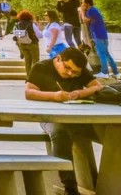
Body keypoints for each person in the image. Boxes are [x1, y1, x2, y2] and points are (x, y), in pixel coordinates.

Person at [25, 47, 105, 195]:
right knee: (60, 133)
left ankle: (116, 182)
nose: (70, 73)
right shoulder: (41, 67)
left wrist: (78, 93)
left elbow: (97, 86)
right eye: (67, 68)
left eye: (75, 72)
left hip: (79, 117)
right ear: (59, 58)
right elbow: (29, 92)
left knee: (113, 135)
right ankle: (69, 188)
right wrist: (54, 96)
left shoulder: (78, 69)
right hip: (49, 116)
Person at [81, 0, 118, 79]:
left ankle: (104, 72)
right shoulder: (94, 10)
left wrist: (82, 11)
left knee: (101, 54)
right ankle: (116, 72)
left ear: (87, 3)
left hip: (98, 36)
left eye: (83, 3)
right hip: (103, 35)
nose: (82, 5)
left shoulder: (91, 11)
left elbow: (84, 20)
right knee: (107, 54)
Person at [13, 10, 41, 79]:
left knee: (27, 61)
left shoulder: (17, 24)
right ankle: (35, 78)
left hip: (22, 44)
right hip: (32, 44)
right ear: (30, 17)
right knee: (35, 61)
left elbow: (16, 34)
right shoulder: (32, 24)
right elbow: (40, 35)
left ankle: (28, 78)